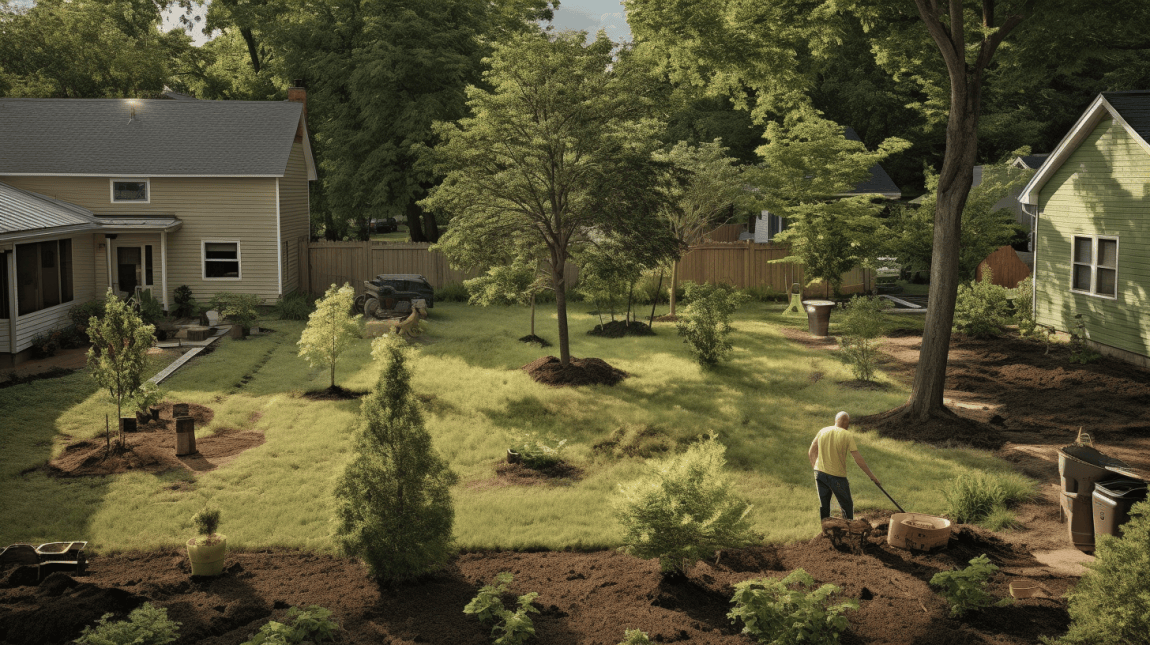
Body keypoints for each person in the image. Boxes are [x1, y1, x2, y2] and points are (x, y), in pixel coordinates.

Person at [808, 411, 880, 521]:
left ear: (835, 421)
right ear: (847, 424)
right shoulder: (847, 435)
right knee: (846, 506)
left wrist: (815, 468)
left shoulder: (823, 431)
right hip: (837, 477)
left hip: (820, 474)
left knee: (824, 506)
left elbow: (811, 451)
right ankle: (848, 530)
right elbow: (858, 458)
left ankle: (826, 531)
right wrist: (872, 476)